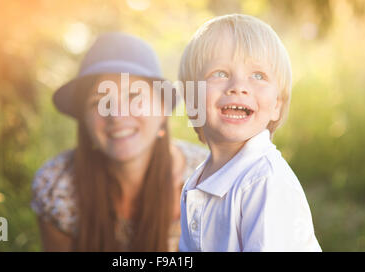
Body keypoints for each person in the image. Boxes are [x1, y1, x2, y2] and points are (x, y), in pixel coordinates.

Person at [31, 32, 209, 251]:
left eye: (134, 97)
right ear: (84, 119)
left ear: (162, 109)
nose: (116, 114)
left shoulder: (210, 179)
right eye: (99, 101)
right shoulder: (56, 186)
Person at [178, 14, 321, 251]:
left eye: (258, 76)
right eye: (220, 73)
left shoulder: (264, 182)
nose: (238, 87)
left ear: (276, 105)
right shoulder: (197, 180)